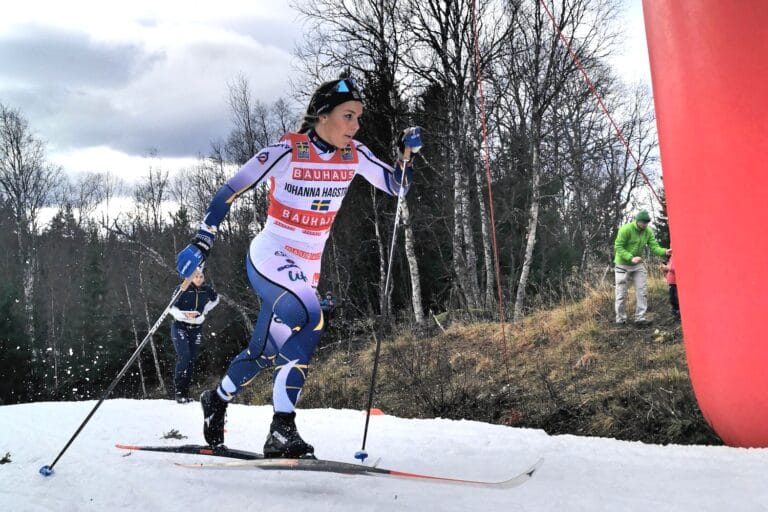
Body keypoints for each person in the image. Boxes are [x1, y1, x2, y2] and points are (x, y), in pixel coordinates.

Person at [175, 74, 422, 458]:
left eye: (358, 117)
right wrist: (203, 238)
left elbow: (396, 186)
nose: (355, 126)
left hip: (306, 269)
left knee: (265, 351)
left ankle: (217, 399)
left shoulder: (354, 154)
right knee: (310, 316)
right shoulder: (289, 151)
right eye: (348, 116)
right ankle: (281, 428)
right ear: (322, 115)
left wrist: (406, 156)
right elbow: (231, 189)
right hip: (271, 256)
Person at [168, 268, 219, 403]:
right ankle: (179, 392)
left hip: (196, 328)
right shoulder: (182, 288)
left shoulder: (207, 289)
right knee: (184, 356)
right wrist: (183, 315)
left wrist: (204, 311)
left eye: (201, 276)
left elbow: (216, 299)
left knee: (191, 359)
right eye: (196, 276)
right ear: (191, 277)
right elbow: (171, 307)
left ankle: (185, 393)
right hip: (180, 326)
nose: (199, 279)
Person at [613, 210, 671, 326]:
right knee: (621, 294)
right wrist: (630, 257)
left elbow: (654, 247)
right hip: (622, 265)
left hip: (637, 266)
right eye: (643, 222)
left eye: (646, 223)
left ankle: (640, 318)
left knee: (642, 291)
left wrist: (664, 252)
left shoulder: (648, 232)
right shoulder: (626, 229)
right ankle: (620, 319)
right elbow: (618, 246)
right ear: (637, 221)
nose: (645, 225)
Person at [661, 255, 680, 322]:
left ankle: (678, 312)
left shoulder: (677, 256)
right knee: (672, 298)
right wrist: (665, 269)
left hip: (675, 282)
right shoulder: (671, 257)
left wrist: (667, 267)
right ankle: (675, 312)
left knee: (675, 298)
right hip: (672, 282)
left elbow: (677, 268)